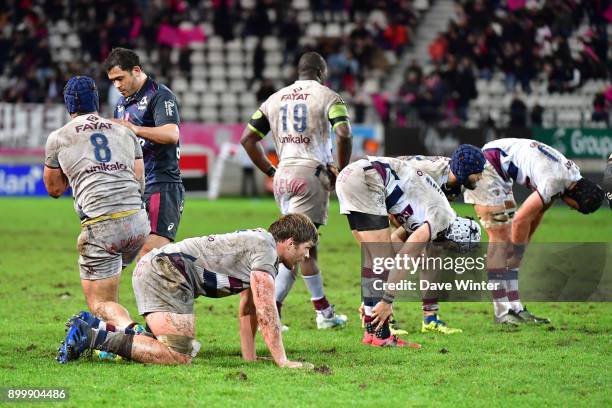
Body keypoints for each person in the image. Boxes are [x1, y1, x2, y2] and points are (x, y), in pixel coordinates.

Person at [58, 214, 317, 368]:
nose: (306, 255)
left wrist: (249, 359)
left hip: (160, 269)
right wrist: (282, 361)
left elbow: (248, 309)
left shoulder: (262, 245)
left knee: (172, 347)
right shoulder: (266, 251)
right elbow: (266, 311)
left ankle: (100, 329)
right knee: (178, 355)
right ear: (290, 242)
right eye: (306, 248)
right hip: (166, 272)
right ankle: (92, 337)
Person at [241, 52, 352, 330]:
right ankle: (310, 314)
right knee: (302, 250)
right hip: (310, 174)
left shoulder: (274, 99)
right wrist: (340, 168)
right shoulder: (328, 96)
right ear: (321, 72)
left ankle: (309, 310)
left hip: (283, 177)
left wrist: (270, 171)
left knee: (294, 245)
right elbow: (344, 133)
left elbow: (248, 139)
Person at [44, 76, 150, 354]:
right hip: (138, 222)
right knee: (106, 287)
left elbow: (54, 188)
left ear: (68, 106)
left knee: (99, 303)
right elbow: (139, 179)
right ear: (98, 102)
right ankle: (109, 343)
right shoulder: (124, 132)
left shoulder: (60, 137)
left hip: (102, 226)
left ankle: (133, 334)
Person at [335, 156, 482, 346]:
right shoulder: (441, 219)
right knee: (382, 259)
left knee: (374, 258)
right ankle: (383, 336)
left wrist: (370, 299)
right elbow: (404, 256)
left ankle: (371, 332)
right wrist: (387, 300)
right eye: (454, 249)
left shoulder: (435, 216)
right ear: (456, 240)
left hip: (350, 176)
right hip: (368, 178)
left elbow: (395, 243)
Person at [464, 138, 604, 325]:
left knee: (509, 240)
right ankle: (501, 311)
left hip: (499, 172)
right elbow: (521, 219)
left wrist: (524, 244)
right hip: (485, 167)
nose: (571, 208)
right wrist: (519, 250)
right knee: (500, 237)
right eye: (575, 207)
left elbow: (537, 212)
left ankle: (515, 308)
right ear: (577, 195)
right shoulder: (555, 181)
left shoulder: (571, 178)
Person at [394, 145, 486, 333]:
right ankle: (377, 312)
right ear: (465, 171)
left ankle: (430, 318)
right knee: (388, 249)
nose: (481, 177)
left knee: (434, 250)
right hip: (387, 187)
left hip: (412, 199)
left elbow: (436, 214)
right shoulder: (430, 174)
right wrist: (416, 238)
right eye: (478, 173)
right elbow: (394, 205)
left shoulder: (456, 181)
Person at [103, 47, 184, 259]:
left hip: (162, 184)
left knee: (151, 253)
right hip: (137, 186)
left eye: (120, 78)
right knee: (129, 253)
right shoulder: (122, 105)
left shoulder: (160, 95)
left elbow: (171, 133)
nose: (117, 85)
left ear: (136, 70)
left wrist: (135, 129)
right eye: (113, 81)